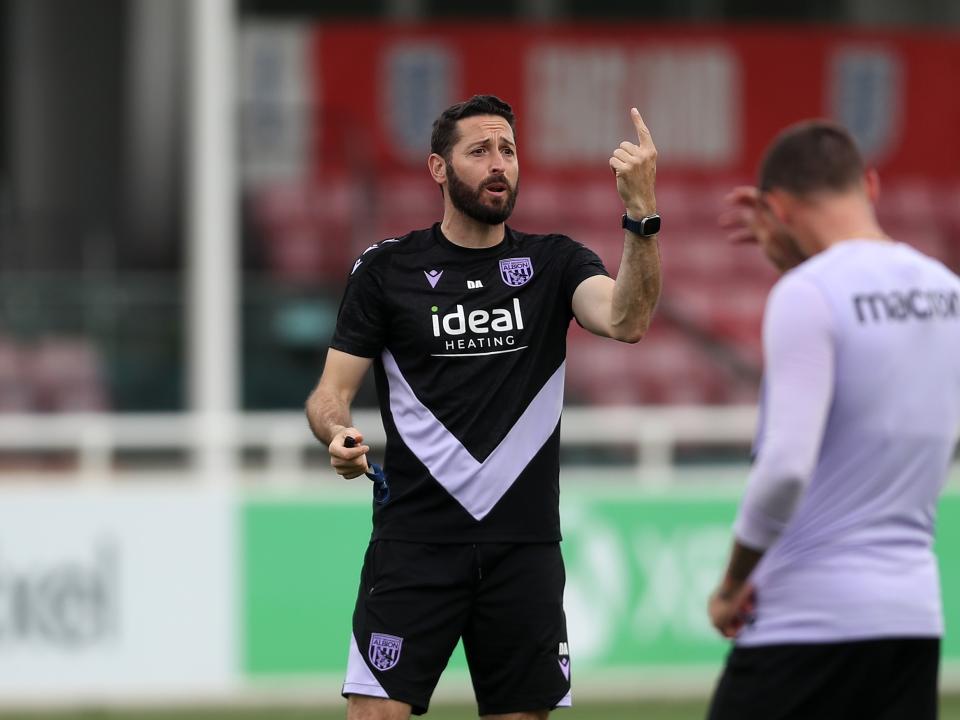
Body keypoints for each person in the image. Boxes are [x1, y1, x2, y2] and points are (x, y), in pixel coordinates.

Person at [305, 94, 662, 720]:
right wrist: (336, 433)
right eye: (479, 151)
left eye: (508, 150)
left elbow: (627, 319)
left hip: (521, 550)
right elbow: (329, 393)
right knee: (373, 715)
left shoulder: (556, 263)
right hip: (415, 544)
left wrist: (641, 213)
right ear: (438, 169)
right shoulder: (387, 271)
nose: (499, 164)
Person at [706, 120, 960, 720]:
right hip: (912, 623)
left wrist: (731, 584)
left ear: (776, 208)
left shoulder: (807, 294)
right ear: (869, 185)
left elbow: (786, 469)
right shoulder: (948, 292)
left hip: (804, 622)